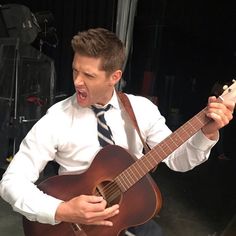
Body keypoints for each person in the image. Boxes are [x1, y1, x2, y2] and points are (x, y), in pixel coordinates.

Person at [0, 28, 235, 236]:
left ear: (115, 77)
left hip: (129, 216)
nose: (77, 82)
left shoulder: (142, 110)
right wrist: (62, 210)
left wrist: (208, 132)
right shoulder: (56, 118)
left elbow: (178, 161)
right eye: (75, 71)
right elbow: (11, 182)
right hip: (73, 224)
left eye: (89, 75)